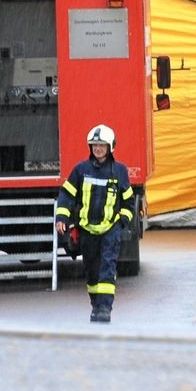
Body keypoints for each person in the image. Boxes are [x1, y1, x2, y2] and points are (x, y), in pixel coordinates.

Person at [56, 124, 138, 323]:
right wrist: (62, 218)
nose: (98, 149)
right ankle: (95, 304)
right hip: (86, 230)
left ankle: (105, 308)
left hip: (110, 229)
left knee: (107, 267)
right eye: (94, 145)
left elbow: (128, 201)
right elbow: (67, 194)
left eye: (102, 145)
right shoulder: (81, 170)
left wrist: (122, 221)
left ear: (110, 147)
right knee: (91, 269)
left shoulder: (119, 171)